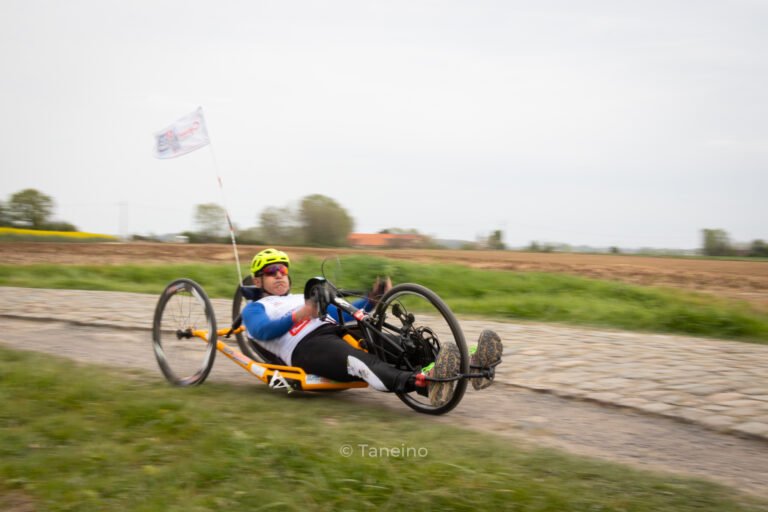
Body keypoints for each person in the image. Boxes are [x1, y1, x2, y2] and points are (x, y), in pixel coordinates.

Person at [241, 248, 502, 404]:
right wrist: (303, 313)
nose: (279, 275)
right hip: (305, 347)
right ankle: (424, 384)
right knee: (362, 361)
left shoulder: (300, 297)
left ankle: (470, 362)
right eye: (271, 271)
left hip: (336, 331)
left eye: (283, 270)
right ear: (258, 280)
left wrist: (372, 298)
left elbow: (340, 311)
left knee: (398, 344)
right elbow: (262, 331)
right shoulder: (254, 308)